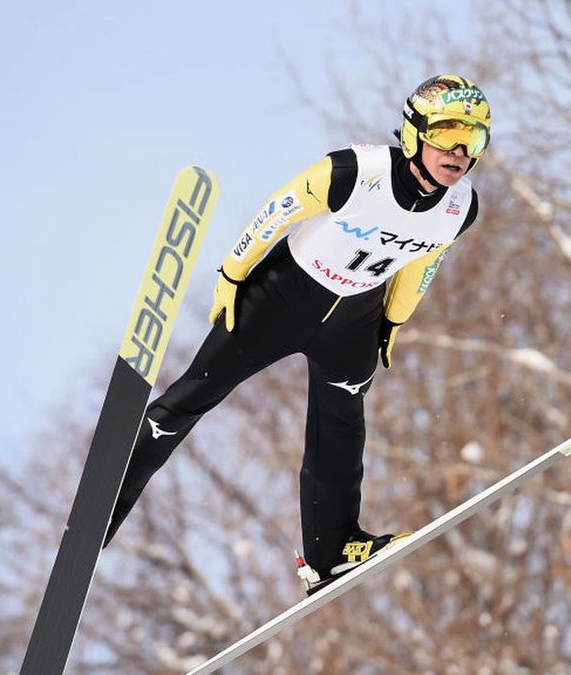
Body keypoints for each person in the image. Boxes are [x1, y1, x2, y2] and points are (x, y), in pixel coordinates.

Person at [103, 74, 491, 593]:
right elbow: (279, 210)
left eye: (475, 138)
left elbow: (422, 264)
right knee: (195, 394)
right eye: (447, 133)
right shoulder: (355, 171)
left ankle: (330, 552)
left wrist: (394, 320)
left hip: (356, 317)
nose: (460, 150)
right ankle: (104, 506)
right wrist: (233, 272)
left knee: (342, 430)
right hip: (282, 297)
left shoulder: (460, 207)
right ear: (415, 131)